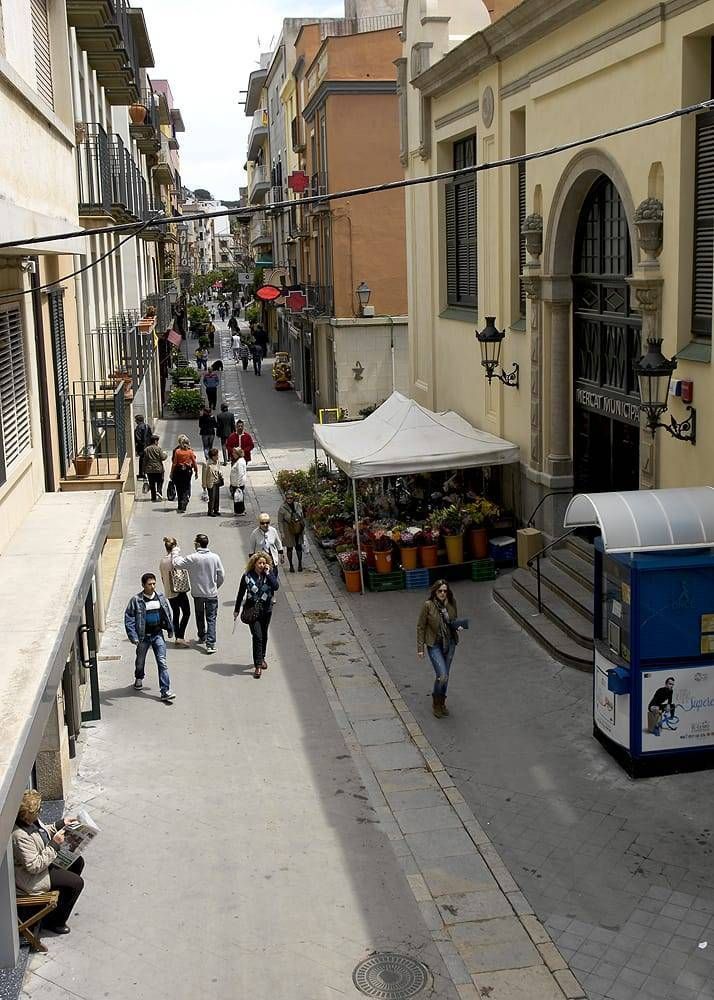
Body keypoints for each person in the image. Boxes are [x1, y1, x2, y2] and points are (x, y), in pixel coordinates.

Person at [12, 790, 85, 935]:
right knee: (76, 883)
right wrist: (54, 845)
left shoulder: (30, 821)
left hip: (46, 860)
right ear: (28, 815)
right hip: (34, 877)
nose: (40, 812)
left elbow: (42, 832)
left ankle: (62, 898)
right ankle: (56, 922)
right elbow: (34, 866)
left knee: (78, 861)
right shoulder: (19, 835)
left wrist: (60, 824)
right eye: (38, 810)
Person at [416, 579, 466, 718]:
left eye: (445, 591)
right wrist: (420, 647)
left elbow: (453, 620)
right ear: (435, 591)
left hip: (449, 643)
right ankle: (436, 702)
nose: (443, 593)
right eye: (440, 591)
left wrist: (458, 626)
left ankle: (442, 702)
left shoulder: (451, 603)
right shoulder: (428, 605)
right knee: (442, 675)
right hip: (434, 644)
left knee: (446, 676)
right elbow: (421, 626)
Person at [124, 572, 175, 701]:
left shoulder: (160, 598)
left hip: (157, 635)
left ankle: (165, 691)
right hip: (143, 637)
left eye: (154, 583)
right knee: (140, 661)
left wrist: (170, 629)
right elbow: (129, 618)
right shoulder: (136, 600)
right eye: (149, 584)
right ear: (143, 585)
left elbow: (168, 614)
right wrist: (133, 637)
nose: (152, 586)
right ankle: (139, 677)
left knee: (162, 662)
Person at [171, 533, 225, 653]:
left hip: (197, 594)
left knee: (199, 615)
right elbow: (221, 575)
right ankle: (210, 644)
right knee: (211, 618)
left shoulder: (193, 557)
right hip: (211, 594)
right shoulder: (215, 557)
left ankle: (202, 635)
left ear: (198, 544)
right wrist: (215, 586)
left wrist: (175, 552)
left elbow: (177, 564)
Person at [234, 552, 279, 679]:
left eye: (264, 563)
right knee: (257, 636)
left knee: (264, 634)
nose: (262, 565)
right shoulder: (247, 576)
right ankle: (258, 665)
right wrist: (237, 609)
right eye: (259, 563)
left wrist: (269, 573)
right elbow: (240, 593)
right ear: (254, 564)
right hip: (252, 610)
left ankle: (262, 657)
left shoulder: (269, 575)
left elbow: (275, 586)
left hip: (266, 609)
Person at [160, 537, 191, 646]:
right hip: (179, 590)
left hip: (169, 591)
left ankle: (177, 636)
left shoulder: (162, 561)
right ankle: (180, 636)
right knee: (187, 612)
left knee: (176, 613)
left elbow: (163, 578)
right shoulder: (175, 560)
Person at [278, 491, 306, 572]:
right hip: (288, 530)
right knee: (289, 548)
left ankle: (300, 564)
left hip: (298, 529)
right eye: (287, 498)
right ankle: (291, 565)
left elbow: (302, 517)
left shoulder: (298, 505)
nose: (289, 499)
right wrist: (282, 532)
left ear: (293, 498)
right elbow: (280, 521)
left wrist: (303, 529)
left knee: (298, 547)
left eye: (291, 498)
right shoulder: (282, 508)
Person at [170, 434, 198, 513]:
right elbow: (194, 462)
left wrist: (171, 473)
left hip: (178, 471)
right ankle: (185, 500)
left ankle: (180, 505)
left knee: (179, 488)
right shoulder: (190, 452)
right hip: (187, 471)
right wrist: (196, 472)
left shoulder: (177, 452)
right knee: (186, 486)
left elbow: (174, 463)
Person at [143, 434, 167, 502]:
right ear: (155, 441)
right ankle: (159, 492)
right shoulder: (158, 449)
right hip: (158, 469)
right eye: (157, 441)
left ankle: (153, 497)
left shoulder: (146, 449)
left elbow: (144, 461)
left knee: (152, 483)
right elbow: (163, 457)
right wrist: (165, 454)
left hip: (149, 470)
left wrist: (144, 470)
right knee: (160, 481)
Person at [202, 448, 223, 517]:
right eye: (216, 455)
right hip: (210, 483)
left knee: (217, 497)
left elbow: (219, 469)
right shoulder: (206, 464)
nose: (217, 457)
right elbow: (204, 476)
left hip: (217, 481)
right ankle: (210, 511)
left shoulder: (217, 462)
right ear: (212, 456)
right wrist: (204, 486)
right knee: (212, 498)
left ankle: (216, 510)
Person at [134, 414, 153, 480]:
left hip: (142, 447)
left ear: (138, 420)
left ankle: (142, 474)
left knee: (141, 460)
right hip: (148, 446)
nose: (135, 421)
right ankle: (147, 473)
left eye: (136, 420)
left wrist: (137, 446)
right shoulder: (147, 426)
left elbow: (138, 438)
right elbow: (151, 436)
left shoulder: (139, 427)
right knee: (147, 460)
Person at [229, 447, 247, 515]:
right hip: (236, 483)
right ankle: (240, 510)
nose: (233, 454)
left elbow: (240, 473)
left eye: (234, 453)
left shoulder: (240, 462)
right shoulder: (239, 460)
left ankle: (239, 511)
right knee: (239, 497)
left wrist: (238, 485)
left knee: (238, 497)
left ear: (237, 454)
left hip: (238, 483)